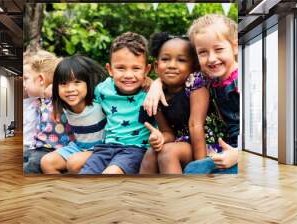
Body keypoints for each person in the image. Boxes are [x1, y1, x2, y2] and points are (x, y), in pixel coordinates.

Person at [144, 14, 239, 174]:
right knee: (152, 154)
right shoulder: (211, 76)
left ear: (236, 47)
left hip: (233, 149)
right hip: (224, 146)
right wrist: (156, 83)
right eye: (203, 52)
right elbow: (173, 74)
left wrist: (238, 154)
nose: (211, 58)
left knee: (194, 168)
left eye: (219, 49)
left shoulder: (238, 81)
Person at [79, 32, 154, 174]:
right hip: (106, 147)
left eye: (136, 68)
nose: (128, 75)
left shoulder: (151, 92)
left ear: (147, 69)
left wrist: (156, 84)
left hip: (136, 149)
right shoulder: (102, 90)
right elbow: (81, 100)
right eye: (121, 68)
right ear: (110, 69)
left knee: (111, 173)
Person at [139, 32, 208, 174]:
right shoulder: (156, 95)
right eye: (165, 59)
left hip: (205, 144)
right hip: (181, 143)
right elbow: (168, 132)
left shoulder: (195, 82)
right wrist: (160, 138)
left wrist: (201, 167)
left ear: (193, 66)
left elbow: (196, 125)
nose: (172, 65)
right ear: (157, 66)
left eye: (181, 60)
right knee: (152, 152)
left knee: (168, 152)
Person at [40, 55, 107, 174]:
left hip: (102, 148)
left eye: (77, 82)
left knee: (73, 163)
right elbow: (49, 91)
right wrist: (56, 103)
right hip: (78, 147)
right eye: (64, 83)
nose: (70, 89)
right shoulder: (64, 104)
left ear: (88, 83)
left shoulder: (98, 101)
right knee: (46, 162)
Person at [23, 49, 72, 174]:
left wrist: (55, 89)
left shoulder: (59, 96)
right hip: (38, 147)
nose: (23, 84)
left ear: (40, 79)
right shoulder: (38, 100)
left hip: (54, 149)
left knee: (32, 165)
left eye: (25, 79)